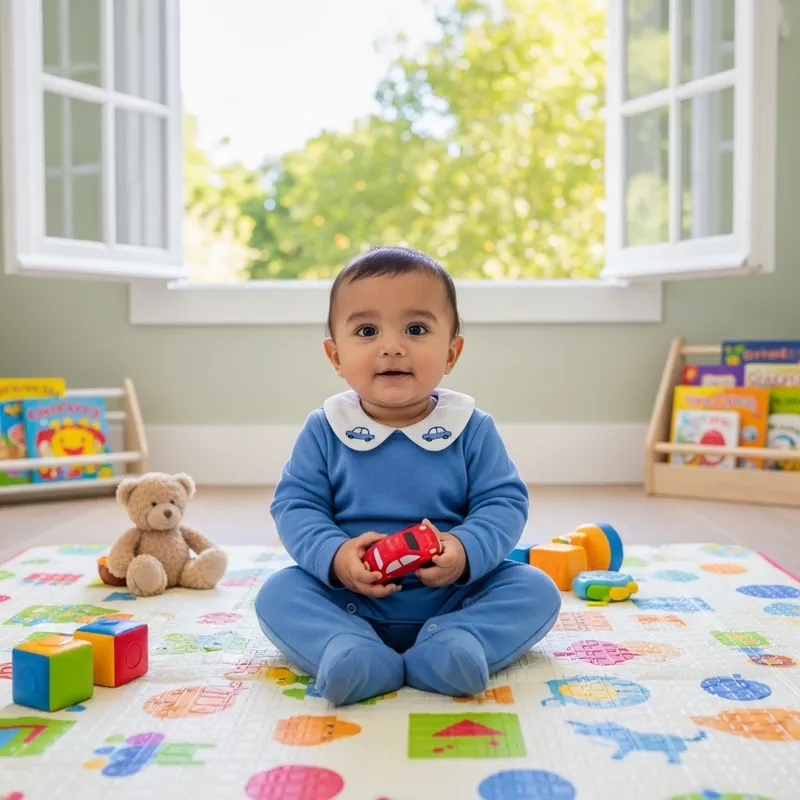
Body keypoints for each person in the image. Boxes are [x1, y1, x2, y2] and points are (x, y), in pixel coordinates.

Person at [255, 245, 561, 706]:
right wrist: (337, 557)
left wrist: (463, 549)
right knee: (278, 593)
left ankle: (454, 645)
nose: (392, 346)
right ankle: (350, 649)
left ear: (452, 352)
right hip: (351, 600)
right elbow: (296, 505)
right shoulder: (325, 428)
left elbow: (503, 502)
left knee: (535, 589)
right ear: (335, 356)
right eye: (367, 330)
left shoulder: (471, 428)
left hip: (456, 596)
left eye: (416, 329)